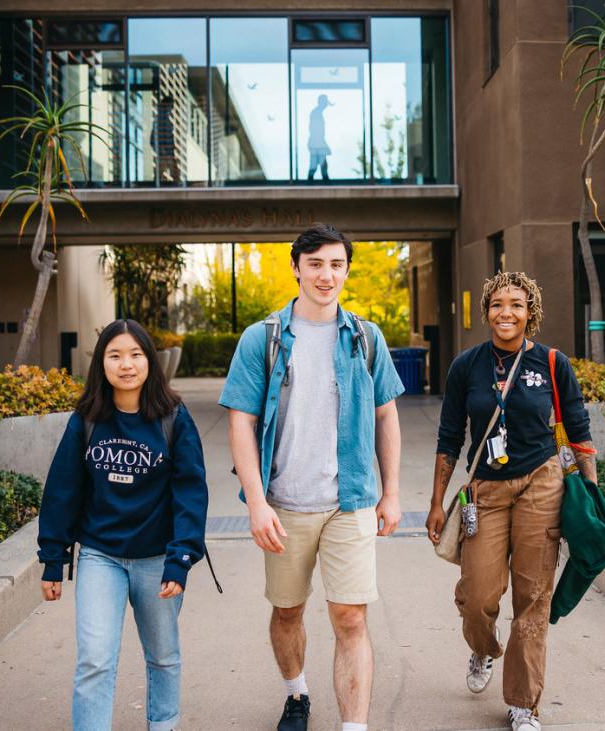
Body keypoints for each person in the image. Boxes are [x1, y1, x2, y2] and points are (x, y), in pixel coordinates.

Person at [220, 223, 405, 731]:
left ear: (347, 269)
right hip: (284, 503)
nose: (328, 275)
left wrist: (391, 492)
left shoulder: (366, 337)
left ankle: (354, 726)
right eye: (317, 264)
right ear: (297, 267)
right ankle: (296, 694)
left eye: (337, 265)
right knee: (287, 614)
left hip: (350, 503)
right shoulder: (265, 339)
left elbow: (387, 414)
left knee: (351, 618)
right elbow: (241, 419)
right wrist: (257, 503)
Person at [426, 272, 596, 731]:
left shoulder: (553, 363)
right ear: (486, 311)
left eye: (517, 305)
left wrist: (593, 496)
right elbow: (449, 437)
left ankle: (524, 703)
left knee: (533, 596)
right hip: (486, 489)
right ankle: (482, 647)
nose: (507, 313)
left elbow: (578, 433)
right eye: (498, 304)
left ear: (531, 313)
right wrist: (438, 501)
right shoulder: (466, 366)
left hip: (542, 483)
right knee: (479, 594)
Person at [37, 319, 210, 731]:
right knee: (95, 658)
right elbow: (63, 489)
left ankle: (163, 725)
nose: (126, 364)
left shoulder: (173, 417)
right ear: (102, 364)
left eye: (135, 354)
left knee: (163, 655)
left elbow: (191, 491)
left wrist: (180, 558)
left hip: (158, 558)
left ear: (149, 360)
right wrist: (53, 558)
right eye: (115, 355)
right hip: (101, 556)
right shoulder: (87, 419)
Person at [307, 94, 332, 181]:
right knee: (316, 164)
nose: (326, 105)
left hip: (317, 143)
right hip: (316, 143)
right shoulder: (316, 114)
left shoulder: (317, 113)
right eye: (325, 103)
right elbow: (316, 132)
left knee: (320, 164)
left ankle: (323, 180)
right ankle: (315, 181)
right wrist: (323, 145)